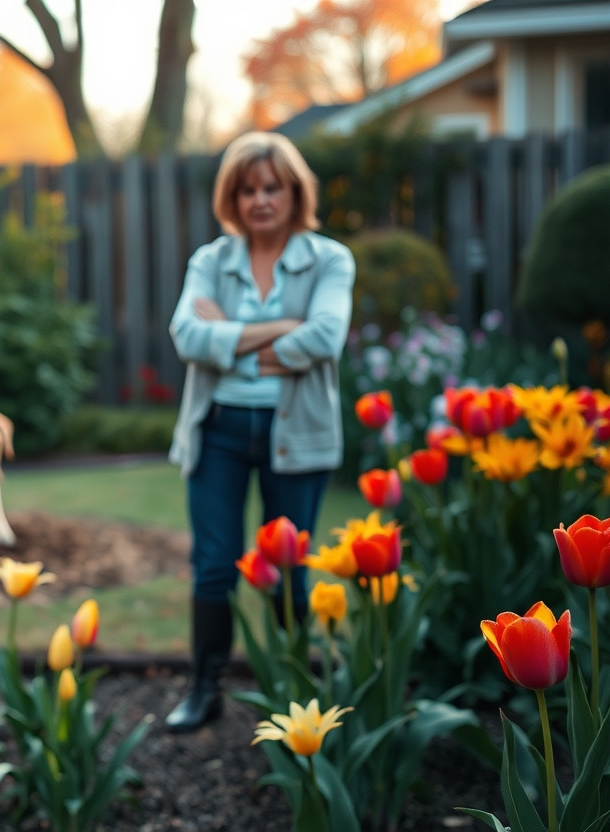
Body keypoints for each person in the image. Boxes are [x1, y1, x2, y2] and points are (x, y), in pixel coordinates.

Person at [163, 131, 355, 733]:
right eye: (247, 190)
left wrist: (232, 339)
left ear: (295, 191)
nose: (260, 200)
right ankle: (204, 688)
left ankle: (292, 690)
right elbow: (186, 337)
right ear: (232, 197)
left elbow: (326, 336)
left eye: (272, 187)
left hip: (295, 433)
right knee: (214, 564)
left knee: (290, 566)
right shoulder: (210, 261)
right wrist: (279, 331)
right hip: (218, 430)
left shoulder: (329, 259)